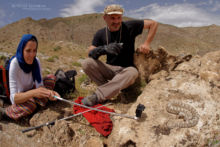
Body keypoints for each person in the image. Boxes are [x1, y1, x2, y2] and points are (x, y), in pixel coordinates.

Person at [81, 4, 158, 106]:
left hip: (126, 70)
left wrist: (147, 43)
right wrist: (103, 49)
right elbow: (90, 52)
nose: (116, 21)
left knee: (132, 72)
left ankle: (98, 96)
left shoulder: (130, 26)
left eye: (119, 18)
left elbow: (153, 24)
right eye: (112, 18)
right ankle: (109, 90)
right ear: (105, 18)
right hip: (110, 69)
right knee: (87, 63)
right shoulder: (101, 33)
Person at [0, 34, 60, 120]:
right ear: (22, 50)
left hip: (32, 92)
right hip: (20, 97)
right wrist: (34, 93)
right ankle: (5, 112)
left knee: (52, 78)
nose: (32, 55)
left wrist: (50, 93)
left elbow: (40, 86)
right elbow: (14, 98)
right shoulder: (15, 64)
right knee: (30, 105)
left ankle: (36, 106)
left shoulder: (36, 61)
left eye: (34, 50)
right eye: (28, 51)